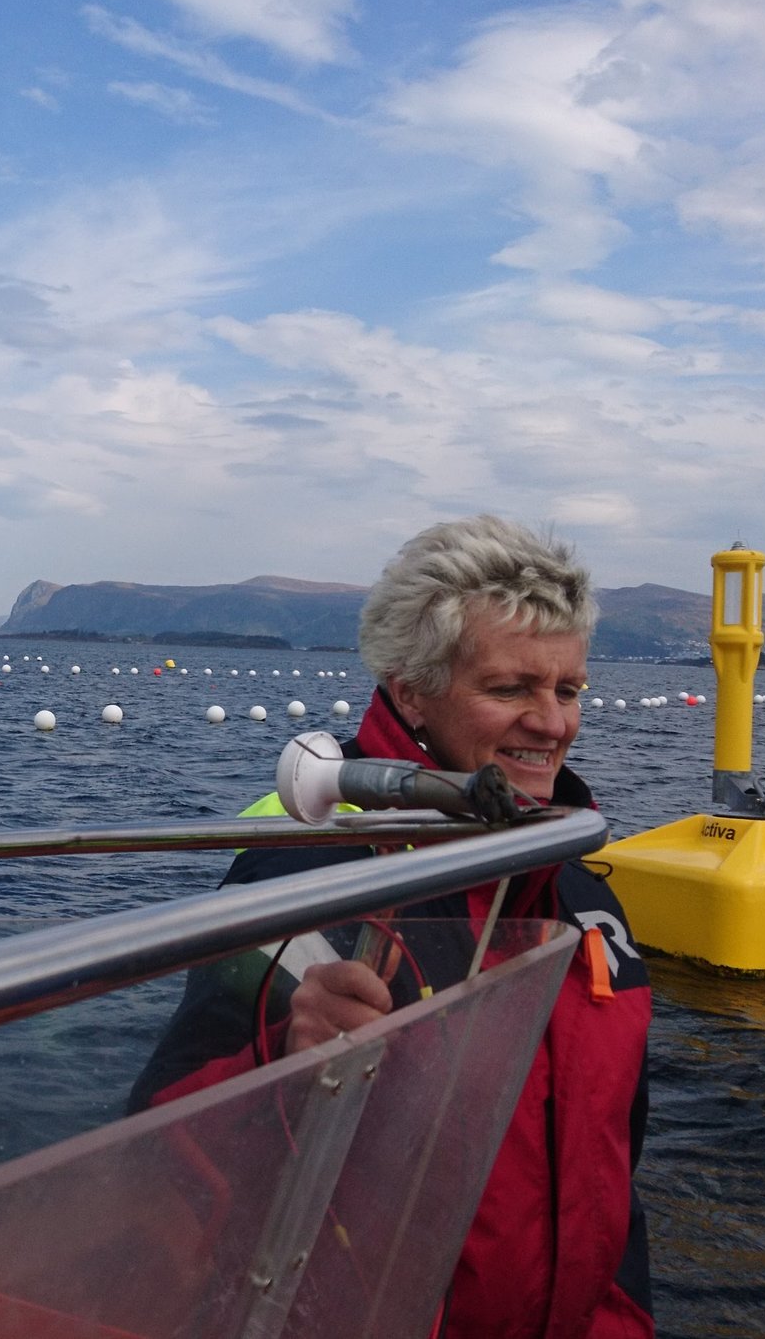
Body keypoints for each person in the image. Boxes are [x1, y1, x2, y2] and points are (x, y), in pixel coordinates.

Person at [129, 515, 653, 1339]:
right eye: (511, 688)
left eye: (568, 690)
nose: (553, 724)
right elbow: (159, 1151)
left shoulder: (585, 902)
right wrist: (284, 1068)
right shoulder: (304, 884)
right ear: (412, 689)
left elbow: (611, 1179)